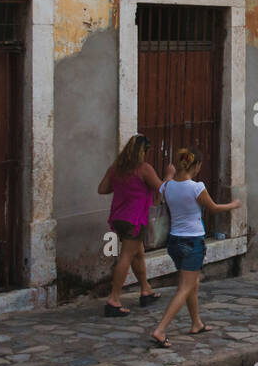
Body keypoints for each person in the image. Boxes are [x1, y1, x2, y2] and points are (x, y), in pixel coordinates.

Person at [149, 148, 243, 348]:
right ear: (196, 166)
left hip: (174, 242)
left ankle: (196, 323)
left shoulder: (167, 186)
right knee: (185, 287)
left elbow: (161, 192)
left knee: (192, 283)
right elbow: (214, 208)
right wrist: (233, 205)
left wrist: (168, 175)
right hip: (192, 241)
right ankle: (160, 329)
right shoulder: (196, 187)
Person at [97, 134, 165, 316]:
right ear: (143, 152)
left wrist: (122, 186)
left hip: (118, 218)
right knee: (126, 256)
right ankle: (114, 299)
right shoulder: (144, 169)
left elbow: (102, 189)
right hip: (135, 219)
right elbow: (162, 188)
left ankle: (146, 290)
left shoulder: (116, 169)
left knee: (138, 254)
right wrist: (170, 176)